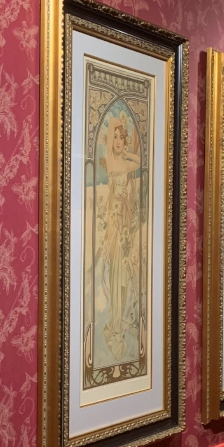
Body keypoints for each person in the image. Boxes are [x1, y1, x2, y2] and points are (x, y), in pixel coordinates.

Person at [100, 114, 140, 361]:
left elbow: (139, 161)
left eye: (120, 138)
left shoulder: (124, 163)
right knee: (115, 270)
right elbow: (109, 145)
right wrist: (118, 124)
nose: (116, 141)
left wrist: (127, 152)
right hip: (113, 223)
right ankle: (114, 322)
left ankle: (120, 316)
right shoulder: (111, 162)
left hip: (125, 224)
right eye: (114, 137)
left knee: (123, 272)